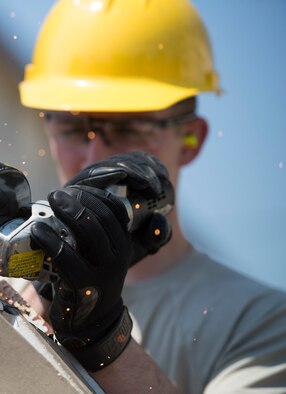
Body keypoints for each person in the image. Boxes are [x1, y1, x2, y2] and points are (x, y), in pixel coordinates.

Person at [17, 1, 286, 392]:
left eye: (129, 127)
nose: (95, 158)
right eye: (73, 127)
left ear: (191, 139)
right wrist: (27, 302)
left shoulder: (258, 323)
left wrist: (105, 339)